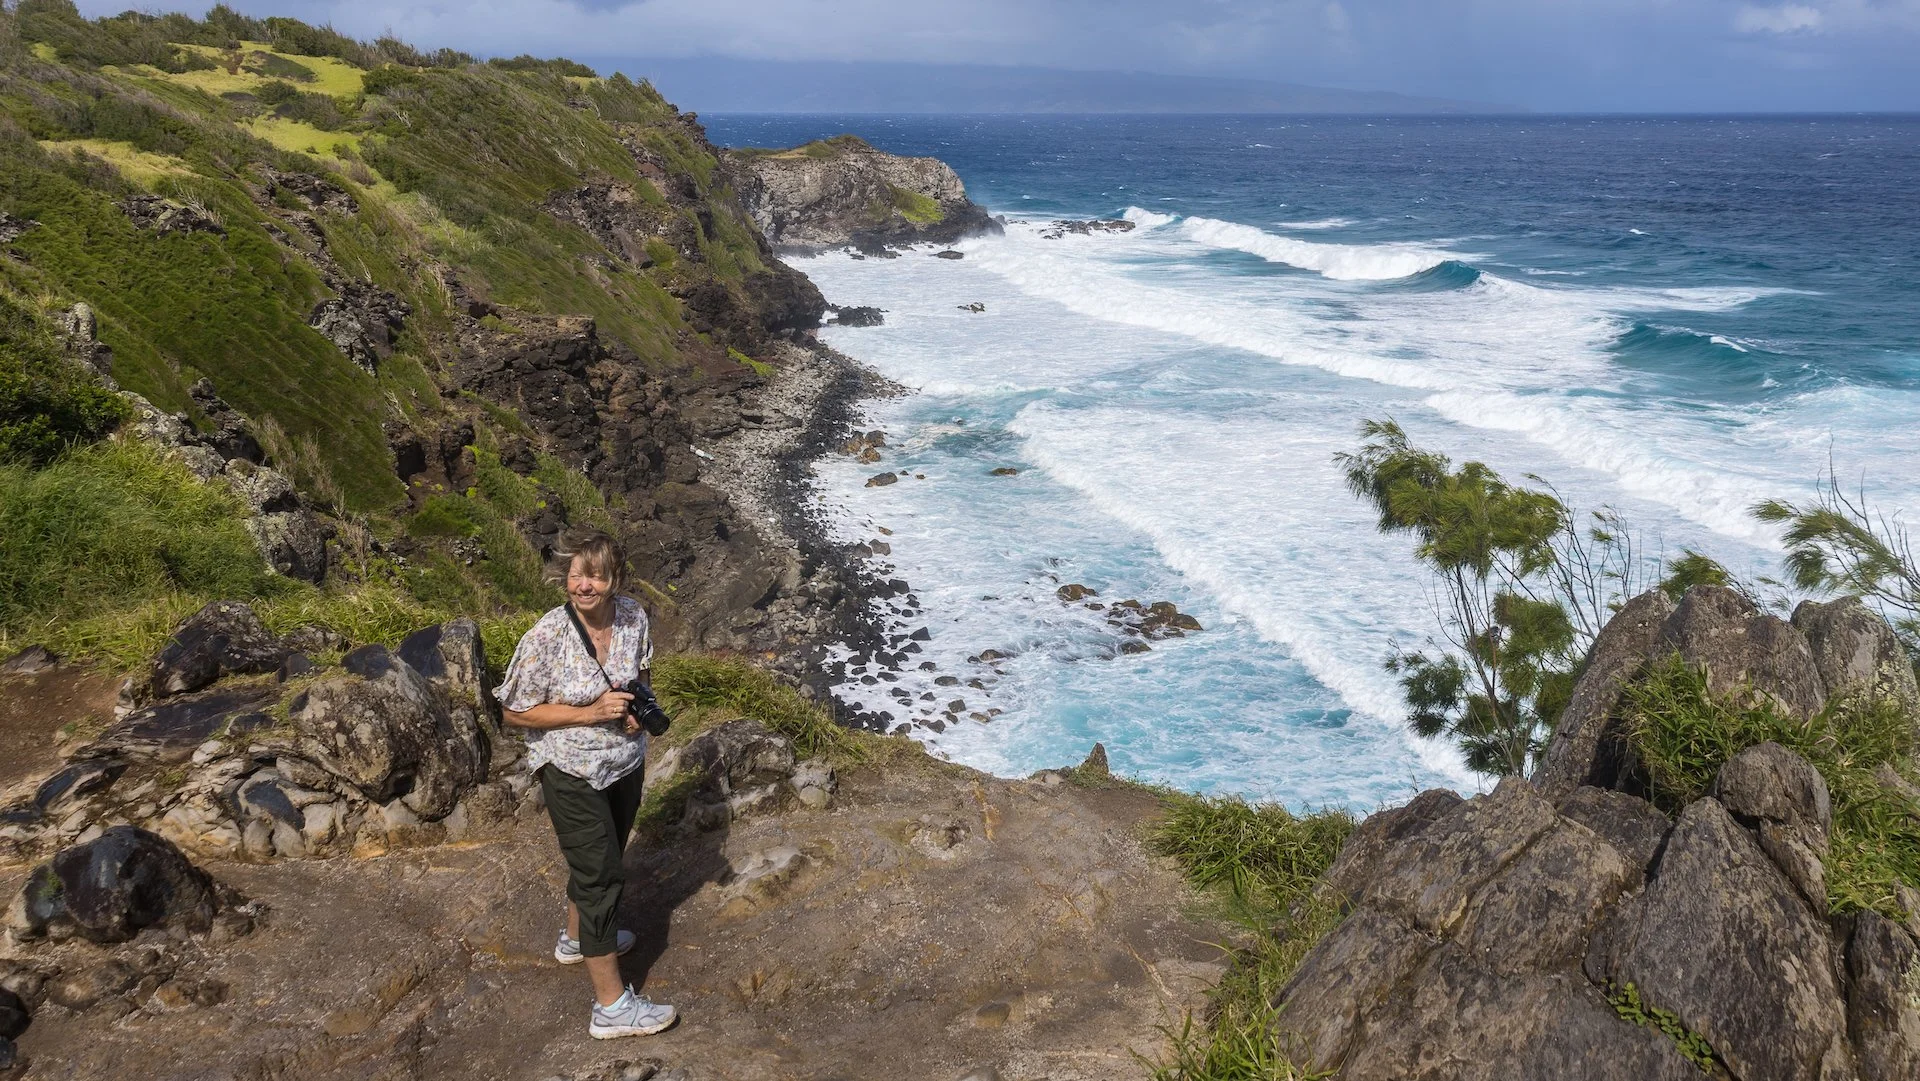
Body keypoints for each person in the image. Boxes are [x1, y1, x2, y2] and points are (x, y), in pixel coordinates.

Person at [494, 528, 677, 1039]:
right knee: (600, 878)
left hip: (624, 764)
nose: (583, 584)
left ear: (614, 579)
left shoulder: (634, 616)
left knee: (603, 857)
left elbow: (641, 675)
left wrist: (640, 709)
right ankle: (612, 1007)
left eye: (594, 575)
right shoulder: (547, 636)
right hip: (571, 770)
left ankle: (577, 940)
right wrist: (591, 712)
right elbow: (514, 711)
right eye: (576, 574)